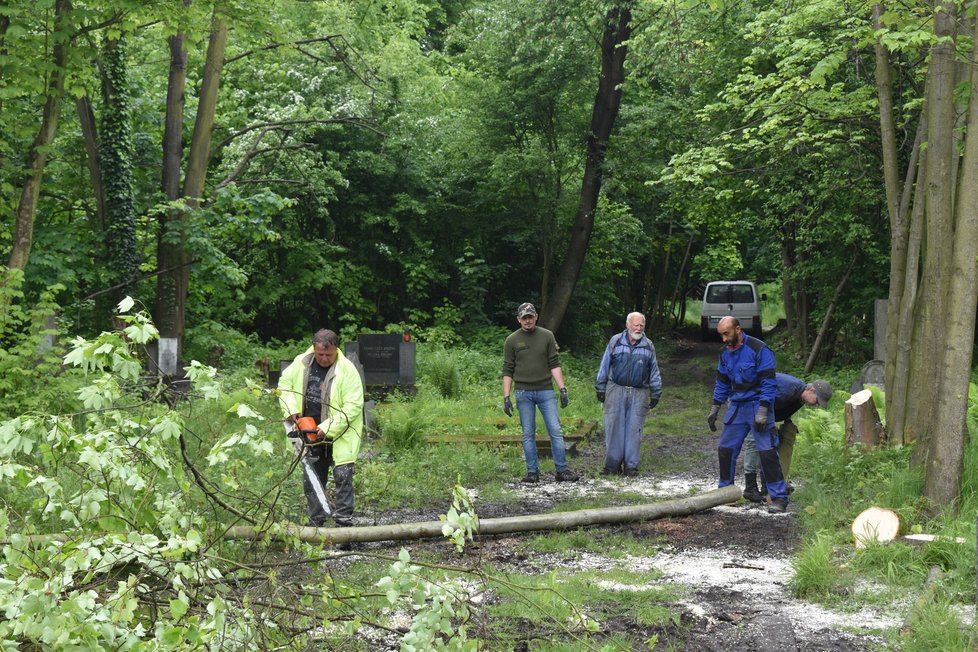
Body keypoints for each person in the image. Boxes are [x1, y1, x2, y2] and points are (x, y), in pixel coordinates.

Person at [279, 329, 365, 529]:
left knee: (343, 478)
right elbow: (284, 385)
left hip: (340, 434)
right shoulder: (302, 362)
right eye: (320, 354)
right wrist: (292, 411)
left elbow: (353, 406)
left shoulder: (347, 370)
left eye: (329, 355)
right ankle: (316, 525)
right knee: (313, 479)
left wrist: (327, 427)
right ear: (314, 348)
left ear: (336, 350)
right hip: (309, 433)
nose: (324, 359)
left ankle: (344, 527)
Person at [706, 316, 789, 513]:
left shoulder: (759, 349)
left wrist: (763, 409)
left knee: (767, 452)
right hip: (737, 406)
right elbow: (722, 381)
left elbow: (769, 382)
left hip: (758, 404)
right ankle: (725, 491)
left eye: (726, 334)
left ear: (738, 330)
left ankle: (778, 497)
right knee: (725, 448)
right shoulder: (724, 354)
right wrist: (715, 407)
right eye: (721, 335)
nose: (724, 339)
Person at [502, 302, 579, 483]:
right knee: (528, 433)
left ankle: (561, 470)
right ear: (518, 319)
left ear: (536, 316)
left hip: (545, 390)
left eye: (530, 316)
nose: (528, 320)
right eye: (524, 317)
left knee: (555, 430)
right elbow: (507, 369)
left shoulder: (547, 336)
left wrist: (562, 388)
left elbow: (554, 364)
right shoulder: (512, 340)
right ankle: (532, 472)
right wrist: (506, 397)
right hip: (523, 392)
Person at [741, 374, 832, 502]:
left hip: (762, 408)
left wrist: (787, 423)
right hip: (749, 401)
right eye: (817, 400)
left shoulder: (800, 397)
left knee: (769, 445)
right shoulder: (788, 389)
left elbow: (783, 408)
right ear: (811, 390)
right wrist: (769, 425)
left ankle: (768, 486)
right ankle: (750, 488)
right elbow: (764, 402)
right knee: (754, 442)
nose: (817, 405)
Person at [594, 312, 663, 476]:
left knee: (634, 429)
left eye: (641, 325)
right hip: (615, 389)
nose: (638, 328)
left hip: (640, 392)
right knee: (613, 427)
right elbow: (605, 364)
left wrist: (656, 392)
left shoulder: (648, 345)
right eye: (636, 325)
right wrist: (600, 387)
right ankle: (612, 465)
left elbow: (654, 371)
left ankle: (631, 466)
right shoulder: (615, 341)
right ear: (628, 325)